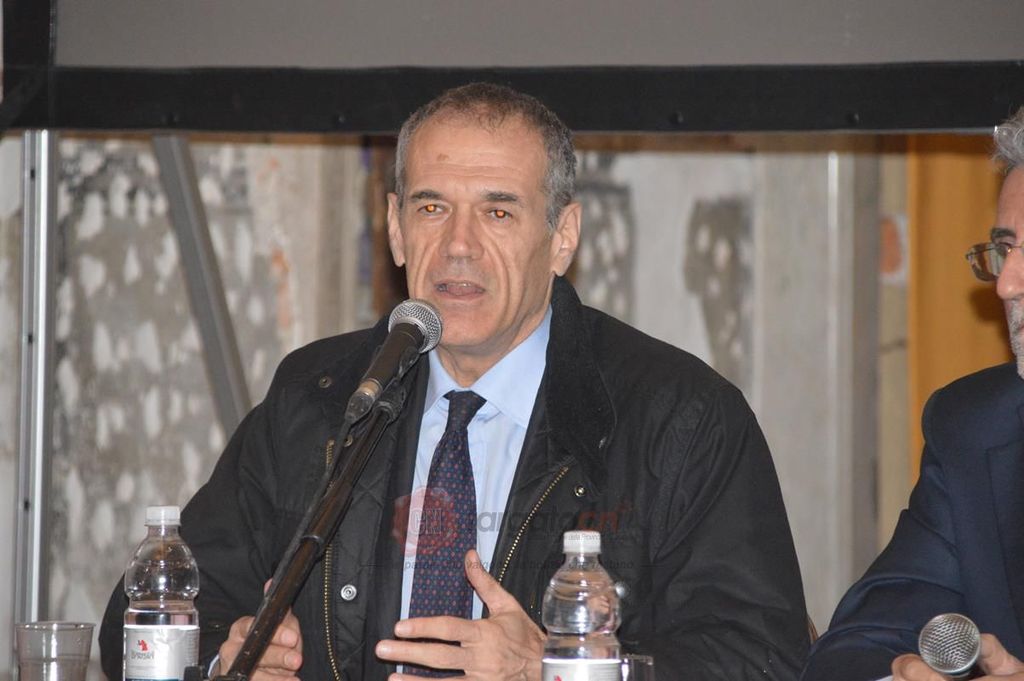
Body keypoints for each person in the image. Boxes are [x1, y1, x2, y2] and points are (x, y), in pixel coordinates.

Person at [99, 82, 809, 681]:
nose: (458, 246)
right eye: (432, 207)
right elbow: (144, 618)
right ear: (395, 227)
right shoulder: (323, 396)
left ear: (563, 237)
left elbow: (764, 658)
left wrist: (558, 667)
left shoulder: (682, 418)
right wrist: (225, 659)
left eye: (498, 211)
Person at [801, 107, 1024, 681]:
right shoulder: (974, 426)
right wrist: (899, 674)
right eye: (1006, 249)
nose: (1006, 284)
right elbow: (863, 642)